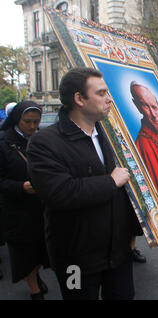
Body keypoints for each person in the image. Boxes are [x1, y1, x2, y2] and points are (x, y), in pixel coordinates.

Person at [27, 67, 143, 300]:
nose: (109, 99)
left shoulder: (111, 136)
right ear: (79, 99)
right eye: (101, 93)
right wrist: (110, 181)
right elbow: (60, 193)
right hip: (75, 260)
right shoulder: (45, 142)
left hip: (117, 253)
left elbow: (130, 189)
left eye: (108, 92)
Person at [0, 100, 50, 299]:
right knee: (24, 254)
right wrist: (20, 187)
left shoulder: (41, 139)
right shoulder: (3, 143)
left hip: (40, 208)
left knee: (39, 251)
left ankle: (35, 276)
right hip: (16, 210)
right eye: (27, 121)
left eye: (36, 122)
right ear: (16, 119)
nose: (32, 126)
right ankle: (35, 291)